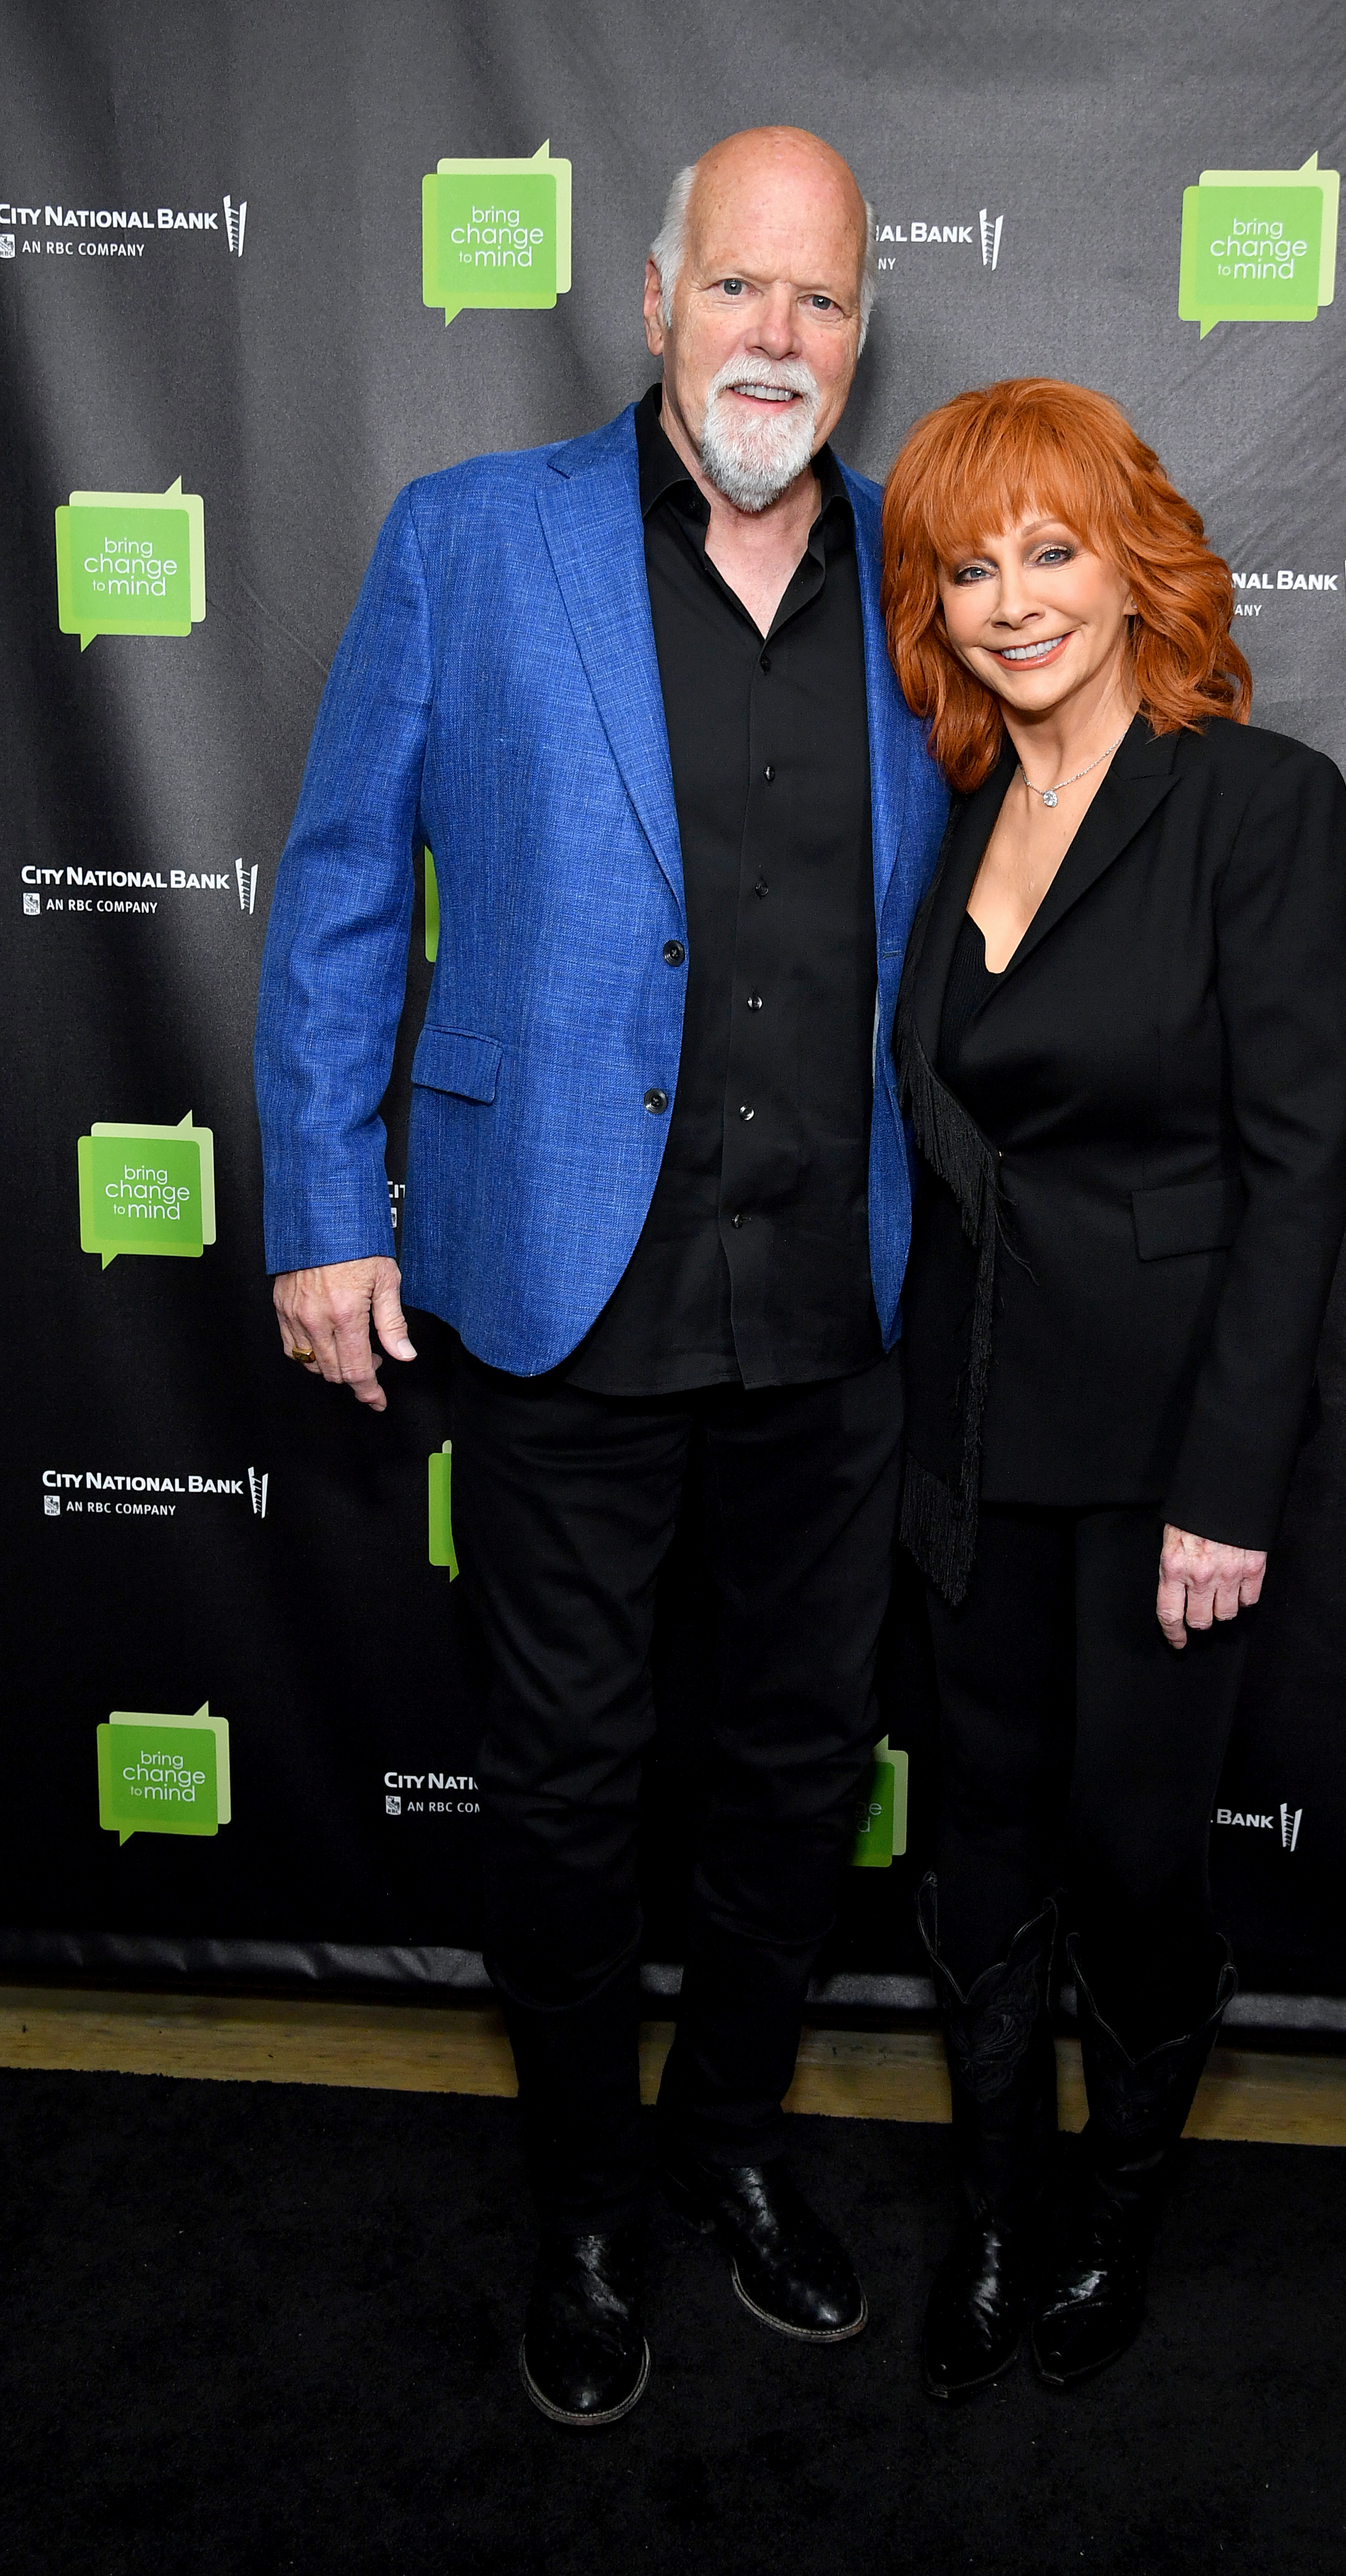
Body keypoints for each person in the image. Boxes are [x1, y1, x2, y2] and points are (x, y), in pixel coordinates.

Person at [254, 126, 948, 2430]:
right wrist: (329, 1207)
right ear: (654, 301)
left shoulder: (925, 582)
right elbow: (348, 877)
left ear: (865, 330)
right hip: (557, 1289)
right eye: (740, 290)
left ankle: (730, 2152)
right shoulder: (476, 541)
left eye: (822, 303)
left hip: (837, 1311)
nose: (780, 338)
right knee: (562, 1789)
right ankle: (577, 2205)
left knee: (787, 1780)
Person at [881, 379, 1346, 2401]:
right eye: (968, 566)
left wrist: (1228, 1487)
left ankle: (1112, 2224)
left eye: (1049, 551)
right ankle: (996, 2218)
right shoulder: (956, 813)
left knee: (1138, 1856)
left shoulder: (1252, 801)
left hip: (1168, 1454)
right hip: (968, 1438)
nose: (1011, 602)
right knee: (976, 1840)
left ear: (1130, 559)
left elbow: (1299, 1164)